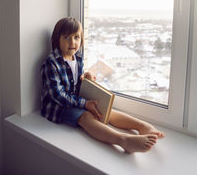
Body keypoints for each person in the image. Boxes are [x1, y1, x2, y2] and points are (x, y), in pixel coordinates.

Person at [41, 17, 165, 154]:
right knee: (86, 117)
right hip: (58, 107)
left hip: (76, 99)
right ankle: (123, 140)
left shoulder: (78, 57)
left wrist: (86, 77)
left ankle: (142, 126)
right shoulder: (52, 62)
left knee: (104, 110)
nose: (72, 42)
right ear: (56, 39)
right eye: (66, 37)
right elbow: (58, 95)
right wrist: (84, 104)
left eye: (76, 37)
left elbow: (75, 81)